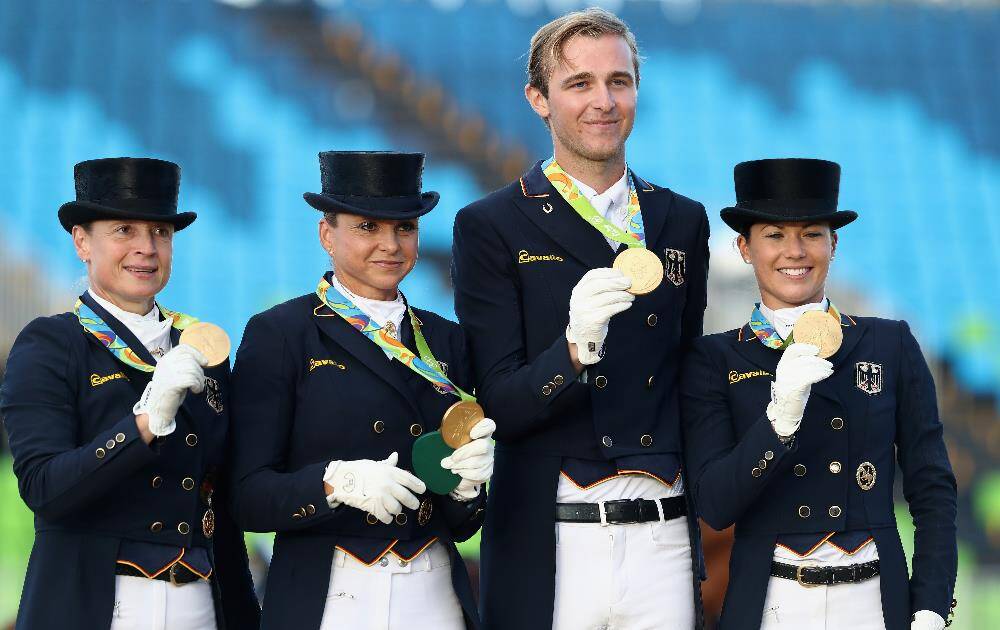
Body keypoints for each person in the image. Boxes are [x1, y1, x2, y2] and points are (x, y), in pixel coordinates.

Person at [451, 8, 709, 629]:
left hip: (662, 533)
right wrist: (571, 351)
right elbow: (501, 404)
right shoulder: (490, 225)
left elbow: (688, 376)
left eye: (619, 81)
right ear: (538, 99)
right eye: (579, 84)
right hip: (553, 533)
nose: (604, 101)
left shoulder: (682, 220)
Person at [680, 158, 958, 630]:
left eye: (811, 233)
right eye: (774, 235)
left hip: (874, 599)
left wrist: (930, 605)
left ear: (834, 243)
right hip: (773, 601)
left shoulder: (889, 343)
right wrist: (779, 422)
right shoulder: (714, 359)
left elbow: (931, 487)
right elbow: (715, 504)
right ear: (744, 248)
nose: (795, 251)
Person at [229, 151, 492, 630]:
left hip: (433, 596)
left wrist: (469, 488)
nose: (390, 244)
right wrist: (336, 483)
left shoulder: (447, 339)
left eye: (405, 228)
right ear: (327, 234)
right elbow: (246, 496)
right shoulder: (281, 333)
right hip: (332, 594)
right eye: (368, 227)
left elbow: (462, 524)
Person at [0, 157, 260, 630]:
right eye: (124, 230)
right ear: (82, 241)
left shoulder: (202, 348)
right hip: (97, 604)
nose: (146, 248)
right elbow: (44, 488)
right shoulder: (50, 343)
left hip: (201, 604)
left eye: (161, 233)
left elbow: (225, 505)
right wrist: (145, 424)